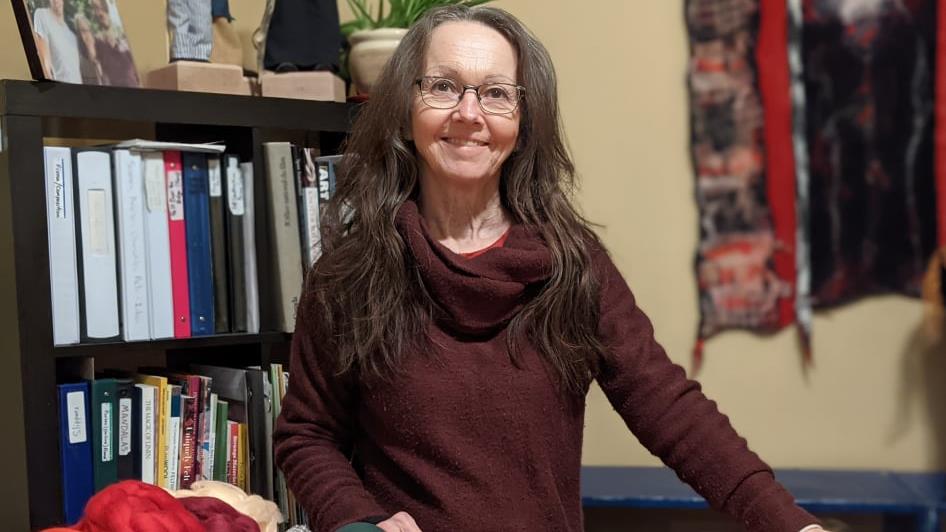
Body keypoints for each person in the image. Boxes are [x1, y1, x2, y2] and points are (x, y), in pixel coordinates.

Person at [273, 6, 829, 532]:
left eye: (495, 94)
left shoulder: (572, 266)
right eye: (444, 86)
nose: (468, 114)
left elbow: (669, 408)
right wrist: (356, 520)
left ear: (524, 120)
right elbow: (306, 434)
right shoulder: (351, 274)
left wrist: (791, 523)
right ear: (406, 104)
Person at [32, 0, 82, 83]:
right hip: (59, 91)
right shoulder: (42, 15)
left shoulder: (71, 36)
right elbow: (44, 62)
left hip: (78, 92)